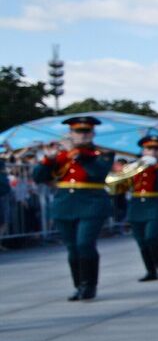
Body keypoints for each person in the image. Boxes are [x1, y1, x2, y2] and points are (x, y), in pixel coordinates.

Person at [33, 116, 114, 300]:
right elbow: (38, 177)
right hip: (65, 204)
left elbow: (97, 173)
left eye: (86, 131)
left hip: (92, 203)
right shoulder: (62, 156)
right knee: (72, 247)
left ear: (93, 133)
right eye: (78, 131)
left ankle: (89, 285)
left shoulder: (102, 155)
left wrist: (76, 153)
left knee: (85, 243)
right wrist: (48, 159)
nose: (83, 135)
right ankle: (79, 285)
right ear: (70, 133)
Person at [125, 134, 158, 282]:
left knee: (152, 237)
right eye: (149, 148)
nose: (153, 152)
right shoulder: (134, 166)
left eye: (156, 149)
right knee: (141, 240)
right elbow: (121, 183)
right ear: (143, 150)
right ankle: (150, 270)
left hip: (155, 204)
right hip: (136, 205)